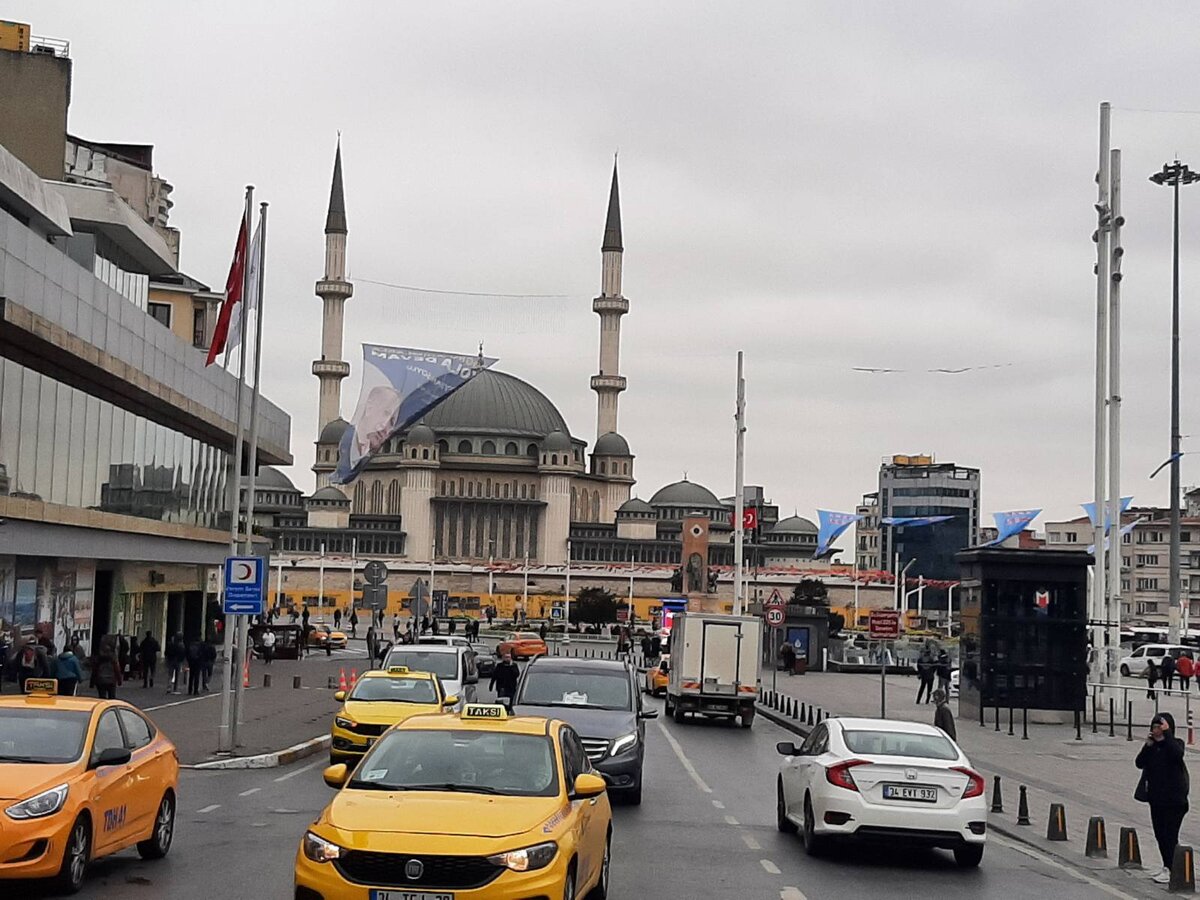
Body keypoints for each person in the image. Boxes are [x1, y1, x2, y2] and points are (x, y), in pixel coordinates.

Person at [1136, 712, 1190, 884]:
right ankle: (1167, 866)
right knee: (1160, 834)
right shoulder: (1152, 747)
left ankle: (1174, 869)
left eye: (1160, 727)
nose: (1157, 730)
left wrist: (1168, 736)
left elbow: (1177, 755)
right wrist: (1147, 745)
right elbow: (1139, 762)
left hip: (1175, 801)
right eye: (1155, 727)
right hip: (1156, 799)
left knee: (1170, 835)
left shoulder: (1175, 744)